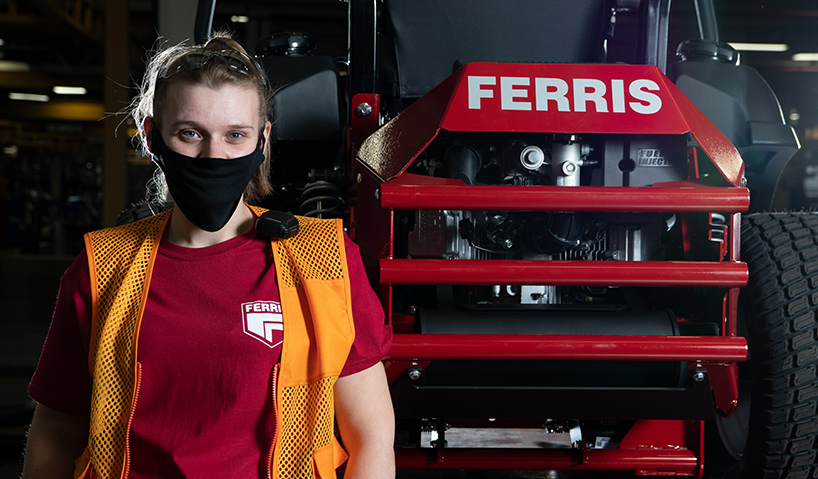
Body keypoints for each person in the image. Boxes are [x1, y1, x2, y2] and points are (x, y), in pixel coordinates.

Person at [21, 33, 395, 479]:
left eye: (235, 135)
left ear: (262, 139)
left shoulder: (324, 261)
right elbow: (56, 432)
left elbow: (371, 436)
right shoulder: (103, 268)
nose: (213, 154)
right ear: (153, 137)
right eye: (190, 133)